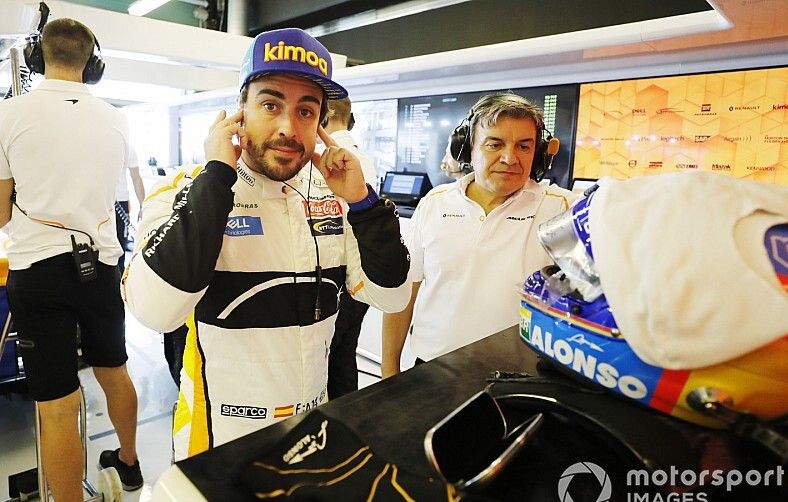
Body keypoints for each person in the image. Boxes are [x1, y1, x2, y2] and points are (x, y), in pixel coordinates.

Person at [123, 28, 411, 460]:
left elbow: (392, 295)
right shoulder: (185, 190)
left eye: (306, 111)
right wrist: (217, 177)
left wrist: (364, 203)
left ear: (321, 123)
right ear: (241, 110)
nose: (287, 128)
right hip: (218, 443)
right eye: (270, 104)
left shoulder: (334, 197)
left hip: (312, 434)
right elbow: (155, 311)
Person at [0, 18, 141, 502]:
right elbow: (122, 194)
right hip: (100, 265)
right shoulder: (116, 118)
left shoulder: (9, 113)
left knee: (57, 407)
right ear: (92, 62)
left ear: (38, 56)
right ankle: (129, 460)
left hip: (39, 271)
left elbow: (0, 213)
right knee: (114, 368)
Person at [382, 92, 577, 376]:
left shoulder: (560, 208)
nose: (510, 158)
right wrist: (389, 372)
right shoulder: (435, 203)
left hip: (521, 378)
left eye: (524, 146)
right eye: (494, 144)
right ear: (468, 149)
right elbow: (403, 293)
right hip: (432, 371)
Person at [323, 97, 378, 398]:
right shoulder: (363, 157)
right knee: (345, 355)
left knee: (326, 363)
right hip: (361, 280)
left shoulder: (327, 157)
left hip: (338, 281)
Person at [114, 144, 145, 273]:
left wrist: (143, 205)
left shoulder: (128, 148)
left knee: (121, 247)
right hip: (103, 201)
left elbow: (136, 177)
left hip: (121, 201)